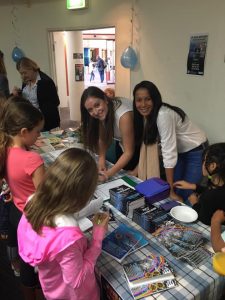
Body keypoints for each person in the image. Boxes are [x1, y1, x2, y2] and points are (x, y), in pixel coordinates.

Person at [17, 148, 109, 300]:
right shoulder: (68, 238)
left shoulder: (32, 201)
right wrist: (97, 240)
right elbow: (77, 280)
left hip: (52, 289)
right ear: (82, 196)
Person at [133, 80, 208, 203]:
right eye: (139, 100)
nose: (143, 104)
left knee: (184, 194)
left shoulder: (163, 115)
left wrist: (171, 192)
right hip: (180, 151)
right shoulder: (148, 115)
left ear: (155, 99)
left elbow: (168, 153)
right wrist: (136, 170)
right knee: (174, 187)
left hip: (196, 150)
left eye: (148, 99)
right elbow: (147, 144)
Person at [0, 98, 45, 299]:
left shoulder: (5, 150)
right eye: (37, 132)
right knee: (36, 262)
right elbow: (45, 198)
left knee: (25, 261)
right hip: (33, 218)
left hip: (16, 213)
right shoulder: (32, 159)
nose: (39, 135)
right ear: (24, 132)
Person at [80, 86, 139, 181]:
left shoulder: (124, 116)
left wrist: (108, 174)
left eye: (97, 105)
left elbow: (129, 152)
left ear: (105, 99)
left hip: (141, 145)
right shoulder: (101, 114)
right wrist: (101, 159)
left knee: (136, 178)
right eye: (90, 110)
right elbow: (102, 138)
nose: (95, 112)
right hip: (123, 144)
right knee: (123, 170)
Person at [174, 143, 225, 225]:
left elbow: (204, 219)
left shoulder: (209, 196)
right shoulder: (218, 186)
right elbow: (213, 192)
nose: (202, 163)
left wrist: (195, 203)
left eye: (204, 160)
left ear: (212, 166)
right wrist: (194, 186)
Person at [12, 57, 60, 131]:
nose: (23, 76)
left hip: (45, 123)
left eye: (24, 73)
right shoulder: (26, 81)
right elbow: (28, 98)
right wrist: (18, 94)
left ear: (31, 68)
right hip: (30, 122)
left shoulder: (46, 82)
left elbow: (55, 102)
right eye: (21, 73)